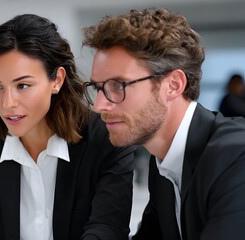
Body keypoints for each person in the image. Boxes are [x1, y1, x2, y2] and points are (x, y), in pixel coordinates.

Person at [0, 14, 136, 240]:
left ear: (57, 80)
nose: (8, 103)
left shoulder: (107, 139)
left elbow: (108, 230)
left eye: (23, 85)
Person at [83, 7, 245, 240]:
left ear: (173, 85)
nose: (99, 106)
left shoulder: (235, 157)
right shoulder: (163, 165)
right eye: (98, 89)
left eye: (118, 85)